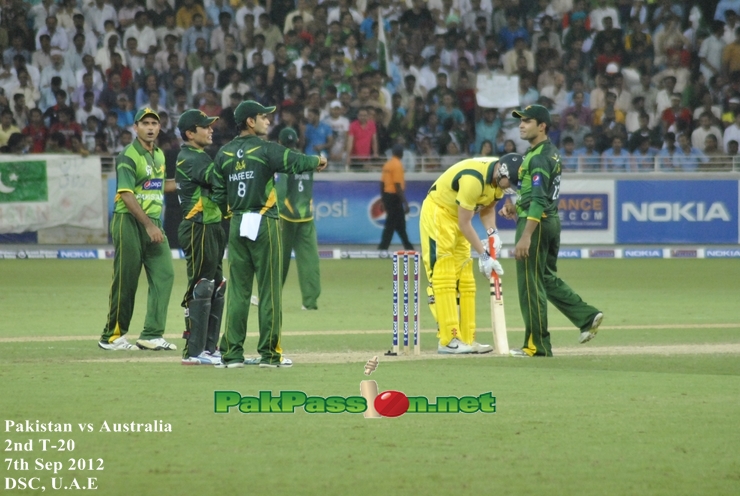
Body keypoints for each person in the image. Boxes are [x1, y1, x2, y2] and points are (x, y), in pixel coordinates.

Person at [211, 100, 327, 368]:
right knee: (270, 291)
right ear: (250, 121)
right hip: (264, 223)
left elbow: (218, 195)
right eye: (264, 117)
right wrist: (316, 161)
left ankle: (232, 355)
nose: (268, 121)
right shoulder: (265, 149)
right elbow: (294, 161)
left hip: (238, 223)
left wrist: (232, 215)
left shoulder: (224, 154)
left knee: (239, 292)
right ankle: (269, 354)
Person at [501, 105, 603, 357]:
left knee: (530, 285)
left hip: (536, 223)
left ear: (542, 126)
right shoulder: (547, 153)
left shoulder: (538, 157)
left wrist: (525, 235)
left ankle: (536, 346)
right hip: (549, 221)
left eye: (527, 121)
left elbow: (538, 199)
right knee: (545, 278)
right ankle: (587, 316)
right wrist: (515, 204)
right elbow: (535, 193)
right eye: (520, 121)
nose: (521, 125)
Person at [419, 154, 521, 355]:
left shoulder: (497, 182)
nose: (510, 188)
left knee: (466, 278)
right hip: (438, 213)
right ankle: (448, 340)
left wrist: (493, 233)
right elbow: (465, 223)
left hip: (458, 218)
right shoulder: (473, 179)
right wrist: (484, 255)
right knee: (444, 274)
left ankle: (467, 339)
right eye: (510, 182)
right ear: (502, 172)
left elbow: (487, 209)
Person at [98, 108, 177, 351]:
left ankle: (152, 334)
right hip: (129, 222)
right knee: (127, 279)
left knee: (165, 274)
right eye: (146, 123)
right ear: (136, 127)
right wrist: (149, 225)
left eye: (155, 123)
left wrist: (190, 182)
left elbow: (157, 185)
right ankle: (111, 336)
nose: (151, 127)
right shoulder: (128, 155)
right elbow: (126, 195)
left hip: (153, 223)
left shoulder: (159, 156)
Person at [175, 109, 226, 366]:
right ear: (190, 133)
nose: (211, 130)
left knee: (217, 286)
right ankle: (193, 352)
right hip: (198, 226)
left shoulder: (201, 156)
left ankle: (209, 348)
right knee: (202, 286)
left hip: (212, 224)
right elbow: (218, 180)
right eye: (205, 127)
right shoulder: (190, 158)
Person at [275, 127, 322, 311]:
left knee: (278, 260)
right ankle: (310, 302)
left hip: (286, 217)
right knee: (309, 260)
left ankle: (271, 298)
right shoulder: (307, 160)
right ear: (297, 141)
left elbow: (281, 188)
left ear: (280, 142)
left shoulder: (282, 161)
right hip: (306, 216)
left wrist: (274, 210)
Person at [378, 143, 414, 253]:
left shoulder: (387, 165)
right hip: (395, 197)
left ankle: (409, 247)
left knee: (400, 225)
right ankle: (382, 248)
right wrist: (405, 202)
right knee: (391, 224)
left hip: (388, 196)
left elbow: (382, 183)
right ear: (401, 154)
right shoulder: (398, 165)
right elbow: (398, 185)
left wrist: (383, 200)